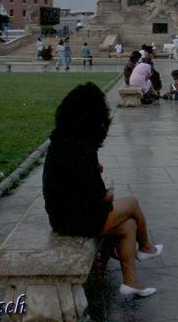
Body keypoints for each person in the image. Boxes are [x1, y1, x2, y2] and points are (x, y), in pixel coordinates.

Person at [43, 83, 162, 298]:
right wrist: (109, 194)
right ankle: (145, 247)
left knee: (128, 225)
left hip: (61, 215)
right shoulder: (81, 149)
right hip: (75, 219)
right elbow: (99, 196)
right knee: (132, 203)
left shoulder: (62, 140)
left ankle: (131, 283)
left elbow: (76, 181)